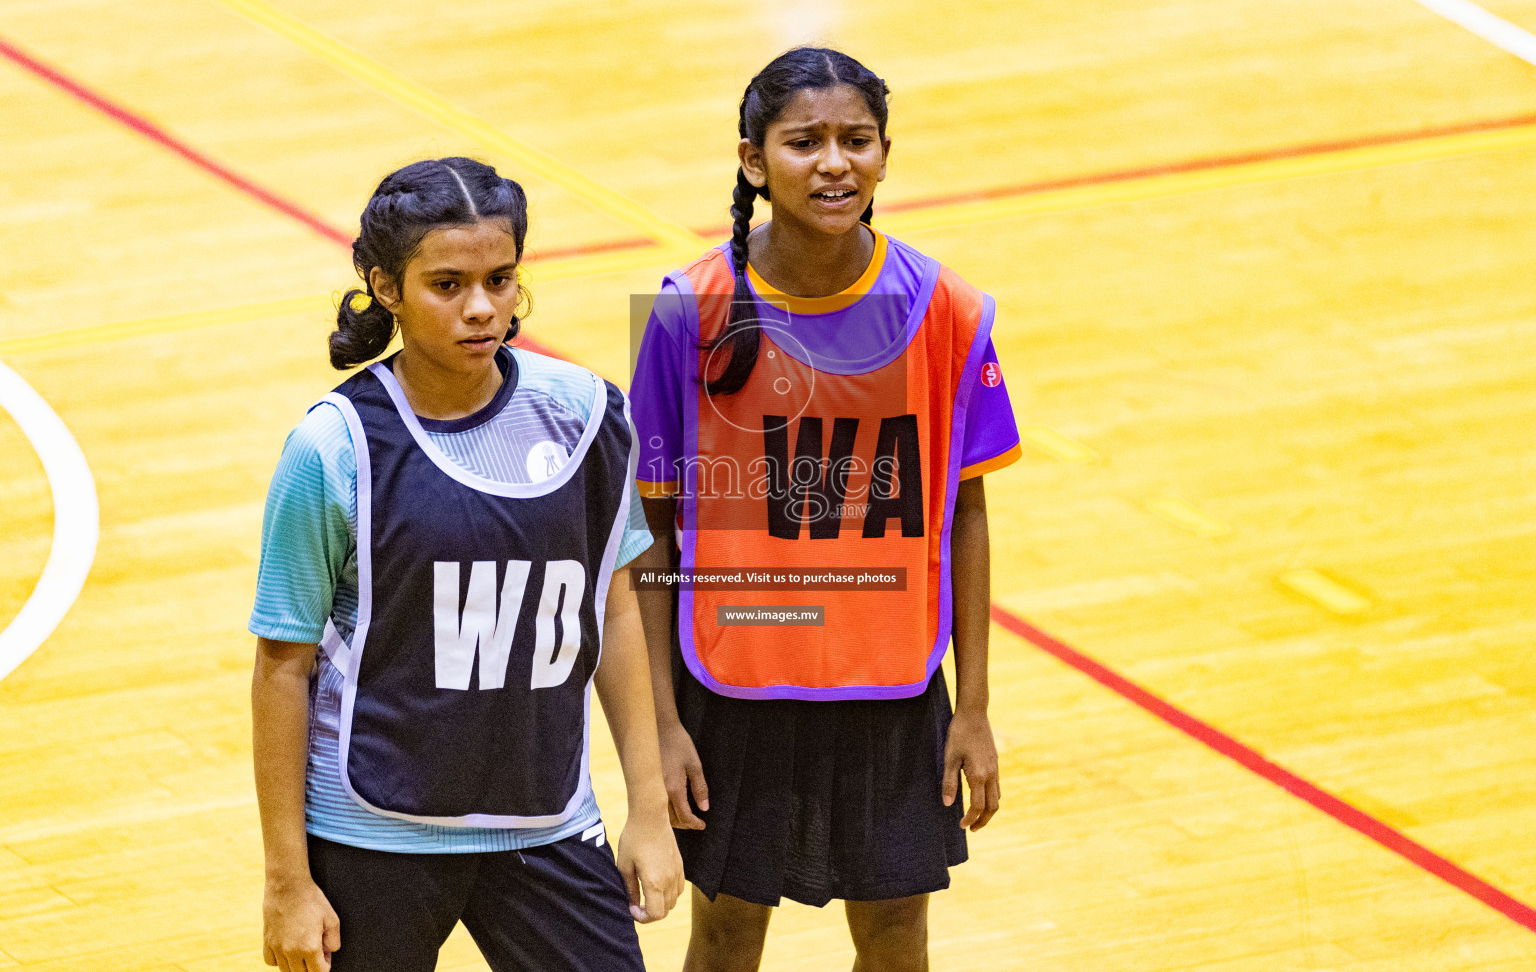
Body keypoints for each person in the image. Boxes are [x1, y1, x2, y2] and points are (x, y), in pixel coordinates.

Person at [628, 49, 1023, 971]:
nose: (834, 162)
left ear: (887, 156)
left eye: (857, 140)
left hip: (892, 686)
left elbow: (966, 514)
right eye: (804, 142)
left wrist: (974, 708)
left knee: (896, 939)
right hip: (733, 685)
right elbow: (646, 536)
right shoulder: (688, 312)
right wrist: (661, 727)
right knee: (725, 937)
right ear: (753, 160)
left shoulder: (948, 311)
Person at [249, 157, 683, 972]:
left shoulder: (588, 415)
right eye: (447, 284)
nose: (482, 308)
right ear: (386, 287)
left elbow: (614, 606)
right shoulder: (334, 447)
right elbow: (282, 665)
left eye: (500, 279)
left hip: (546, 820)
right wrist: (287, 882)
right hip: (373, 830)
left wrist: (648, 810)